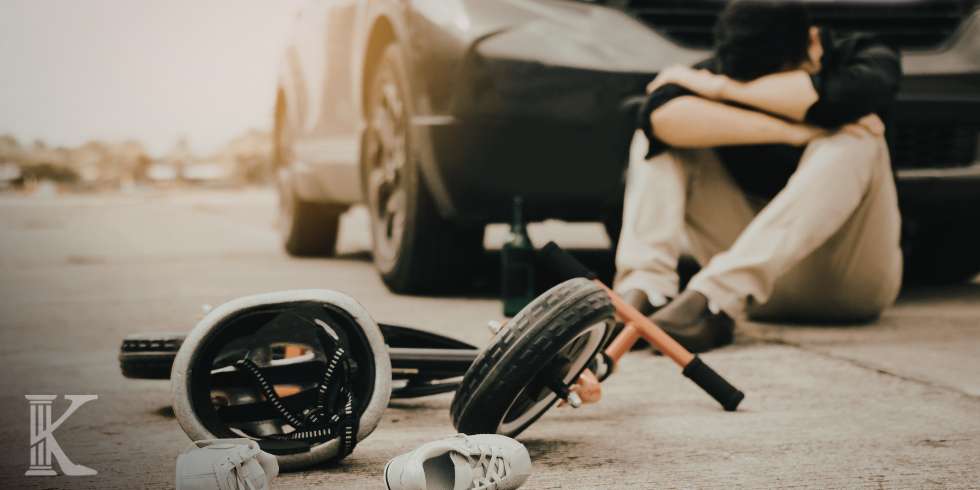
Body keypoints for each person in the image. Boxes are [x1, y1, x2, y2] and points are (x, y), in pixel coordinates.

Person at [614, 0, 904, 354]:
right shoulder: (735, 63)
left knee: (859, 137)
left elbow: (842, 97)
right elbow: (657, 117)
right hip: (755, 290)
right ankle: (647, 291)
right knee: (658, 139)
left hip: (848, 284)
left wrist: (725, 90)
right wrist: (793, 132)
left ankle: (715, 298)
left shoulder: (863, 56)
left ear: (813, 43)